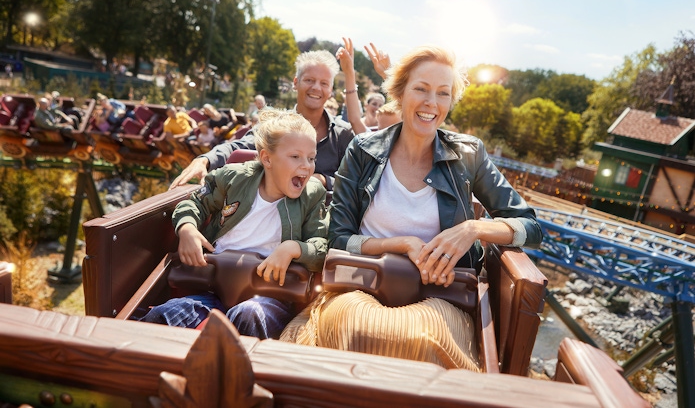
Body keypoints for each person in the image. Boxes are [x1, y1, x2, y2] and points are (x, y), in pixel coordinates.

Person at [281, 44, 542, 370]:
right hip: (363, 284)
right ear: (400, 93)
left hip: (440, 296)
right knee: (358, 327)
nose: (432, 103)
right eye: (421, 89)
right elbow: (338, 238)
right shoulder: (362, 150)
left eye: (443, 93)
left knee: (421, 339)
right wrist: (401, 245)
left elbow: (530, 226)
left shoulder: (469, 154)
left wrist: (472, 229)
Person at [140, 108, 328, 339]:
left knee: (247, 315)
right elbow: (196, 204)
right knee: (165, 315)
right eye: (295, 157)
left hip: (270, 293)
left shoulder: (311, 195)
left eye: (311, 158)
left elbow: (321, 245)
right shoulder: (234, 179)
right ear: (267, 158)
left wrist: (294, 248)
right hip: (214, 286)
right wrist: (187, 228)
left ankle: (239, 371)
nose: (306, 166)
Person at [169, 43, 355, 192]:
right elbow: (239, 146)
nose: (316, 88)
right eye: (309, 80)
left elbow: (354, 179)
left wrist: (322, 180)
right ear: (296, 83)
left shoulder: (342, 134)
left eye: (324, 83)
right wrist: (204, 160)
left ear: (331, 90)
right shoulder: (275, 125)